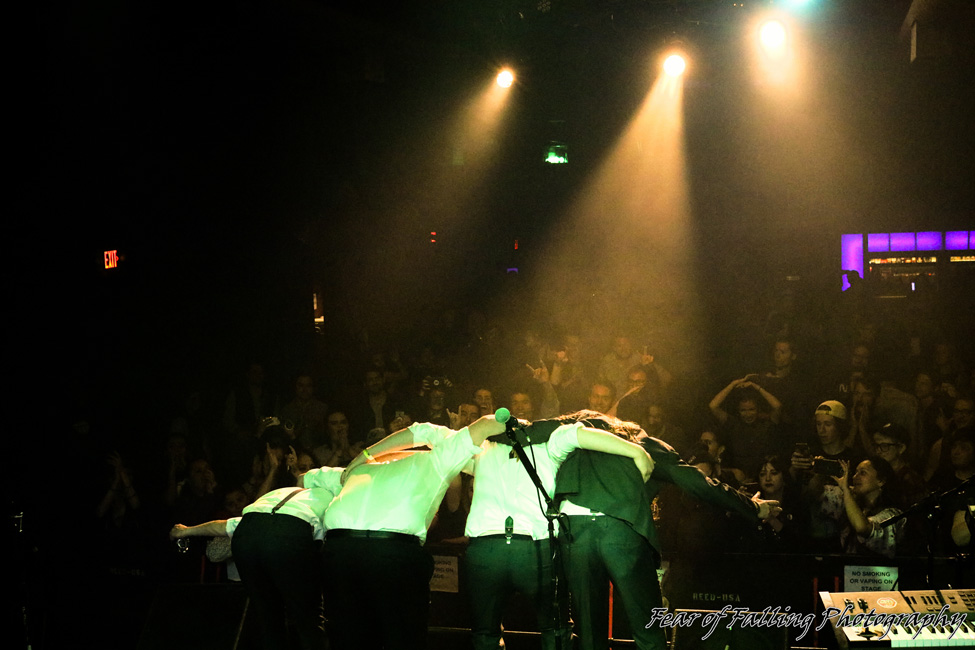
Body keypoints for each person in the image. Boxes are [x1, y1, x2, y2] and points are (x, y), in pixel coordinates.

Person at [547, 411, 779, 650]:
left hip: (573, 527)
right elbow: (698, 482)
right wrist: (752, 506)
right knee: (648, 630)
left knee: (588, 635)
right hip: (620, 527)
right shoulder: (645, 442)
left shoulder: (578, 441)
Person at [462, 412, 656, 650]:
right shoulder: (550, 442)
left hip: (485, 549)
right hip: (536, 548)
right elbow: (581, 435)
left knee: (484, 633)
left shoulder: (481, 449)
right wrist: (637, 451)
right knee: (556, 631)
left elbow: (442, 444)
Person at [320, 414, 507, 650]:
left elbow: (305, 479)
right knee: (402, 637)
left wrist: (364, 454)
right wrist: (522, 427)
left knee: (347, 639)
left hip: (339, 551)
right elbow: (489, 423)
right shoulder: (440, 457)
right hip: (391, 553)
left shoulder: (363, 466)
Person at [169, 472, 343, 650]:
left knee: (268, 618)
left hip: (247, 533)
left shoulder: (282, 493)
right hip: (288, 534)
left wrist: (186, 531)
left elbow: (228, 525)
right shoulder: (335, 497)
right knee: (308, 618)